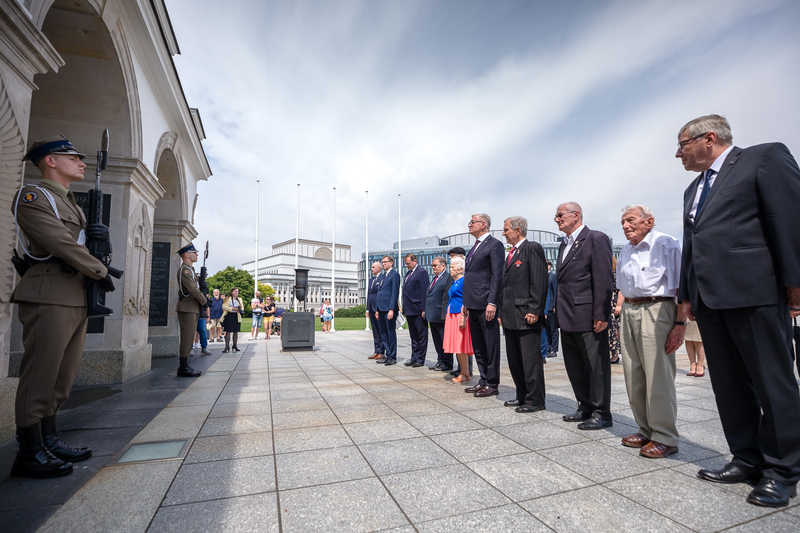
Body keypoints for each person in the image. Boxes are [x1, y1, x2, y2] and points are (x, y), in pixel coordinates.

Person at [676, 114, 800, 507]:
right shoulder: (692, 189)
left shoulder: (763, 159)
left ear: (708, 138)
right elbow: (691, 243)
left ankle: (783, 470)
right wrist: (686, 294)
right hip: (710, 298)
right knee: (729, 384)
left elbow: (790, 219)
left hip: (754, 291)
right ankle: (746, 457)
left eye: (682, 144)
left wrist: (794, 282)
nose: (677, 153)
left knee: (772, 382)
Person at [10, 136, 115, 479]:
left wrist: (103, 243)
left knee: (61, 375)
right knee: (40, 372)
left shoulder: (72, 204)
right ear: (50, 161)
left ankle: (49, 439)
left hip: (74, 293)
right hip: (49, 290)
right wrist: (99, 271)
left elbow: (79, 243)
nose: (82, 163)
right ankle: (29, 451)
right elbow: (57, 241)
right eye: (73, 157)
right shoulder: (34, 197)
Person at [617, 205, 684, 458]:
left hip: (658, 308)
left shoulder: (665, 244)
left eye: (630, 220)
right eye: (623, 221)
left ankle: (665, 436)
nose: (625, 225)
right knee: (633, 373)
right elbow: (623, 287)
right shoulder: (626, 249)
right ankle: (645, 429)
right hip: (630, 310)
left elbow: (680, 287)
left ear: (649, 221)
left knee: (658, 375)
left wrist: (679, 325)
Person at [555, 202, 614, 430]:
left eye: (560, 215)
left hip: (588, 315)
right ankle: (585, 406)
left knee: (595, 365)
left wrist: (601, 313)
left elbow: (603, 278)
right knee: (575, 364)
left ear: (575, 215)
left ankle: (602, 412)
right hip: (567, 315)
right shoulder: (564, 244)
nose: (557, 219)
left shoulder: (596, 239)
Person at [500, 216, 548, 413]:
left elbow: (538, 281)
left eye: (505, 230)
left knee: (530, 360)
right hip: (511, 316)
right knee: (515, 360)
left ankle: (535, 399)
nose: (503, 233)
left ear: (517, 230)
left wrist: (534, 309)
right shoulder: (510, 254)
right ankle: (522, 395)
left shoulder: (532, 248)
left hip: (526, 314)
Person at [463, 213, 505, 398]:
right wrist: (466, 302)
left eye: (472, 222)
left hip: (486, 303)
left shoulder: (494, 245)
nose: (469, 225)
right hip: (473, 303)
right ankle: (483, 379)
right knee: (478, 345)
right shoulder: (474, 247)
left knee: (490, 344)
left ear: (484, 224)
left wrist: (492, 302)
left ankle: (492, 382)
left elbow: (497, 276)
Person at [175, 243, 206, 377]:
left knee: (190, 337)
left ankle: (185, 364)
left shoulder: (191, 270)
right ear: (187, 255)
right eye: (194, 252)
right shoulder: (185, 270)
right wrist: (204, 301)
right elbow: (193, 289)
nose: (197, 254)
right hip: (187, 307)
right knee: (187, 338)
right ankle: (183, 366)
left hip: (191, 307)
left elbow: (197, 286)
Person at [443, 257, 473, 384]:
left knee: (461, 345)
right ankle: (463, 372)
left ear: (461, 269)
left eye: (453, 267)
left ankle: (465, 373)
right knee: (456, 346)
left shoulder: (464, 281)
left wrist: (464, 317)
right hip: (452, 314)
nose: (451, 269)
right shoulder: (455, 282)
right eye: (450, 267)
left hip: (459, 315)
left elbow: (467, 299)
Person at [424, 257, 453, 371]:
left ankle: (447, 362)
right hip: (433, 314)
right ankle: (440, 360)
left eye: (435, 265)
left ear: (443, 266)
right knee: (437, 340)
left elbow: (446, 295)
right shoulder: (435, 278)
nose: (433, 268)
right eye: (432, 266)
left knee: (443, 340)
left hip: (441, 314)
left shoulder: (447, 277)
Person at [402, 253, 429, 367]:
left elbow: (424, 291)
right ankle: (414, 356)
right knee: (413, 335)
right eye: (406, 264)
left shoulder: (422, 272)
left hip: (418, 309)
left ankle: (420, 358)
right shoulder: (408, 273)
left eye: (408, 263)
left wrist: (424, 309)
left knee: (421, 335)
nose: (407, 266)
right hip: (409, 309)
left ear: (414, 261)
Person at [376, 256, 401, 365]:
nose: (383, 264)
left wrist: (391, 309)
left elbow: (394, 293)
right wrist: (377, 309)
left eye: (385, 262)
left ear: (391, 263)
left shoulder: (394, 275)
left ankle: (392, 356)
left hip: (388, 309)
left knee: (390, 332)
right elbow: (379, 293)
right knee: (383, 333)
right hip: (381, 308)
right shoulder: (382, 276)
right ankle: (387, 354)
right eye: (382, 262)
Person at [366, 262, 385, 359]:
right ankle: (376, 351)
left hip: (379, 309)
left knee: (381, 331)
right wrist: (367, 309)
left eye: (373, 267)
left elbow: (380, 295)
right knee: (375, 331)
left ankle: (382, 351)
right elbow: (369, 295)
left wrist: (378, 309)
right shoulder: (371, 280)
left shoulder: (382, 278)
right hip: (372, 309)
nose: (371, 269)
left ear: (379, 268)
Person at [609, 257, 623, 364]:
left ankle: (615, 354)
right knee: (609, 331)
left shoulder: (615, 275)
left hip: (613, 305)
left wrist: (618, 305)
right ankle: (611, 353)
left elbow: (620, 290)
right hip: (607, 305)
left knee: (614, 330)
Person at [222, 287, 243, 353]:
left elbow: (242, 307)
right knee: (228, 331)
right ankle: (227, 346)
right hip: (229, 315)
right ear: (231, 292)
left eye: (237, 291)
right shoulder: (228, 299)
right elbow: (223, 306)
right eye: (235, 291)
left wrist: (239, 310)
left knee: (235, 331)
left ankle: (235, 345)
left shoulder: (239, 299)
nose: (236, 293)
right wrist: (232, 309)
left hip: (236, 316)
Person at [544, 261, 559, 358]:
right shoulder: (541, 276)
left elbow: (555, 291)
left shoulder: (553, 277)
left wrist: (555, 305)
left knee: (553, 329)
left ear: (549, 266)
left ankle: (554, 349)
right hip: (545, 307)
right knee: (547, 329)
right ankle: (548, 347)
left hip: (551, 306)